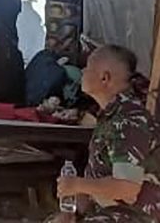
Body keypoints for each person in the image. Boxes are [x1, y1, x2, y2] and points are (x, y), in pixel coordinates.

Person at [53, 45, 160, 223]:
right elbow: (98, 179)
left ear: (104, 78)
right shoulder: (111, 116)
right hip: (109, 212)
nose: (83, 72)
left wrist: (77, 184)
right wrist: (73, 212)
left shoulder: (129, 120)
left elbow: (127, 189)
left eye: (88, 67)